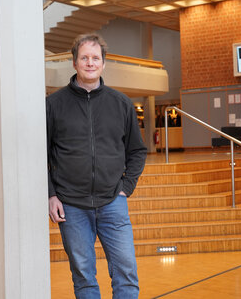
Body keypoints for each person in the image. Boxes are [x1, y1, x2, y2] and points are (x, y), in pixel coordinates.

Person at [47, 33, 147, 298]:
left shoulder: (122, 104)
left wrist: (127, 185)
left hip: (113, 201)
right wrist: (51, 194)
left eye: (95, 58)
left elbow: (137, 150)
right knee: (83, 276)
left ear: (103, 63)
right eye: (84, 58)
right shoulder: (53, 105)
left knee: (126, 273)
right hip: (71, 204)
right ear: (74, 63)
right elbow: (42, 154)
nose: (90, 63)